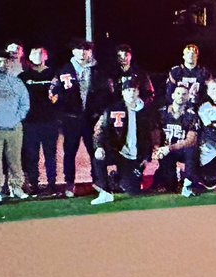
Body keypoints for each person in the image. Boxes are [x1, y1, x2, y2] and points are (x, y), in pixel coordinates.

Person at [50, 39, 111, 197]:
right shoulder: (64, 70)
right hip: (71, 118)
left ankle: (98, 182)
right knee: (70, 152)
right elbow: (53, 92)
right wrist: (62, 109)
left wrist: (100, 112)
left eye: (86, 49)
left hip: (92, 118)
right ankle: (69, 183)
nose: (82, 52)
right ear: (73, 52)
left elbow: (107, 93)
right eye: (79, 49)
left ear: (90, 52)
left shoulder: (98, 70)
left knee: (95, 150)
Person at [90, 77, 160, 205]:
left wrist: (147, 156)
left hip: (135, 157)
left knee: (133, 190)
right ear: (122, 92)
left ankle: (116, 178)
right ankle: (105, 192)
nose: (131, 93)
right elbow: (100, 129)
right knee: (98, 158)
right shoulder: (113, 109)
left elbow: (152, 133)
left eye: (133, 90)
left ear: (138, 92)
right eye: (128, 90)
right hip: (118, 151)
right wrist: (99, 146)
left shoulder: (146, 111)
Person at [0, 50, 30, 202]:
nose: (2, 64)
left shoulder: (16, 82)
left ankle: (16, 187)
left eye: (5, 61)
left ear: (10, 63)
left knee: (15, 161)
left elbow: (25, 103)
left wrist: (17, 118)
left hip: (14, 128)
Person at [19, 46, 58, 194]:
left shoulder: (54, 74)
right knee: (31, 155)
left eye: (41, 53)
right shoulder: (24, 76)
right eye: (34, 53)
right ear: (29, 56)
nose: (38, 56)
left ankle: (52, 184)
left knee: (50, 155)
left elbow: (59, 96)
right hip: (30, 122)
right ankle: (34, 184)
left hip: (50, 121)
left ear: (46, 56)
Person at [151, 82, 200, 196]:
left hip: (181, 149)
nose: (181, 96)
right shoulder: (161, 113)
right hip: (166, 151)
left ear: (188, 97)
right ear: (172, 95)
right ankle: (171, 180)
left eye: (184, 94)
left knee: (192, 151)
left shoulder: (191, 115)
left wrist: (170, 147)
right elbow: (155, 134)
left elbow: (191, 140)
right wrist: (157, 149)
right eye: (178, 93)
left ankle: (188, 183)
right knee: (170, 186)